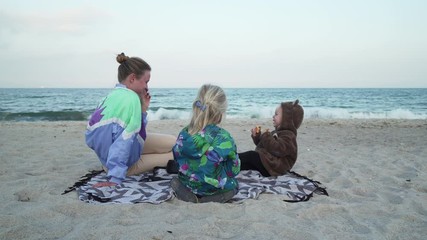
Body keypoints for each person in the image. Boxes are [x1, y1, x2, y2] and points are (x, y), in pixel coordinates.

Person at [85, 53, 175, 187]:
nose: (147, 87)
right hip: (123, 164)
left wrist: (143, 110)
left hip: (111, 158)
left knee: (174, 142)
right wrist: (114, 178)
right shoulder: (131, 99)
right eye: (146, 81)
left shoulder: (110, 96)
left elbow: (90, 137)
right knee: (174, 155)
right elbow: (123, 142)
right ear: (133, 78)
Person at [171, 84, 240, 203]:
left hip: (189, 184)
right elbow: (232, 170)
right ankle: (210, 199)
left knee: (175, 180)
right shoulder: (224, 138)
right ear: (220, 113)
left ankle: (188, 194)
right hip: (214, 188)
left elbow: (177, 158)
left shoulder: (184, 133)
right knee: (234, 187)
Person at [239, 100, 304, 177]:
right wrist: (257, 136)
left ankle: (230, 159)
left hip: (275, 168)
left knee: (251, 155)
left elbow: (277, 149)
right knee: (247, 163)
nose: (273, 116)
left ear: (286, 119)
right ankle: (230, 166)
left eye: (276, 114)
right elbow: (266, 146)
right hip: (268, 164)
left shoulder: (289, 136)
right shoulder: (279, 132)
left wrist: (265, 135)